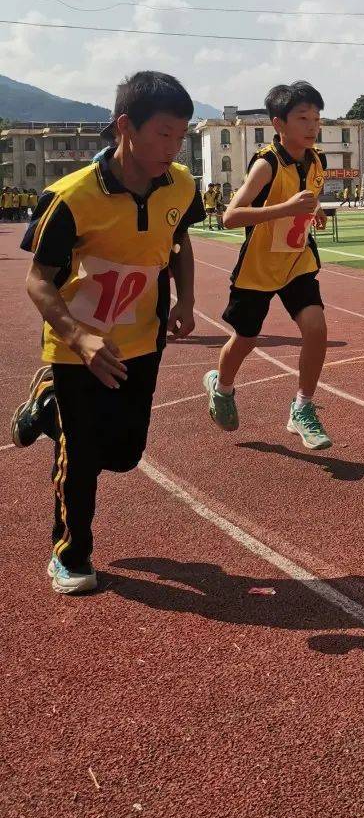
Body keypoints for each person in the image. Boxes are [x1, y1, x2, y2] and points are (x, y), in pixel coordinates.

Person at [11, 71, 203, 595]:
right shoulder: (70, 198)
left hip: (142, 338)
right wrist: (79, 338)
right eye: (163, 133)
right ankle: (71, 554)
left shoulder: (181, 185)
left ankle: (43, 405)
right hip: (78, 347)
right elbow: (38, 280)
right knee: (82, 455)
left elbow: (180, 241)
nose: (173, 147)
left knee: (124, 453)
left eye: (181, 135)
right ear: (125, 127)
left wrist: (186, 299)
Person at [203, 81, 332, 450]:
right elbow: (231, 216)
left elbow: (305, 199)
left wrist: (315, 210)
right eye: (303, 118)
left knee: (316, 327)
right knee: (245, 338)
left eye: (316, 118)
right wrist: (288, 208)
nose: (312, 126)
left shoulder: (316, 160)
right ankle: (222, 385)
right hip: (258, 268)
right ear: (279, 123)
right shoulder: (267, 164)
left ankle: (303, 407)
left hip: (297, 262)